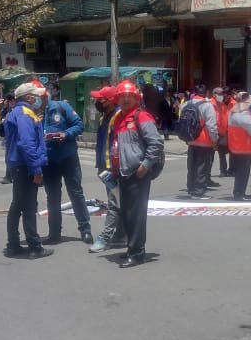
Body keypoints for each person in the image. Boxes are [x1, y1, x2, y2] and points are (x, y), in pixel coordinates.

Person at [112, 80, 164, 268]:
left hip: (137, 173)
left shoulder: (142, 117)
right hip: (122, 173)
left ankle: (137, 253)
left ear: (136, 98)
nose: (125, 100)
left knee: (136, 215)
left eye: (129, 96)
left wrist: (145, 166)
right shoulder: (119, 118)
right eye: (122, 97)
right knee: (126, 213)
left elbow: (156, 143)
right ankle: (131, 247)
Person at [1, 82, 52, 260]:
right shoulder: (25, 114)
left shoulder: (18, 112)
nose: (38, 98)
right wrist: (36, 169)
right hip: (25, 166)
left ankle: (13, 245)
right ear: (29, 97)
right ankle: (34, 247)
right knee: (28, 207)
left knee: (18, 205)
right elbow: (27, 143)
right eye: (35, 95)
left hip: (19, 165)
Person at [40, 86, 93, 244]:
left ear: (45, 96)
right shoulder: (33, 113)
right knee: (53, 198)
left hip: (68, 157)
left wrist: (66, 134)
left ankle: (85, 230)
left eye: (40, 97)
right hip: (49, 161)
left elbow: (78, 125)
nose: (37, 100)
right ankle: (54, 233)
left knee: (76, 194)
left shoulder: (61, 107)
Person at [89, 86, 124, 253]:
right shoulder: (105, 116)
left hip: (113, 168)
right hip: (105, 167)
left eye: (100, 99)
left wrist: (112, 168)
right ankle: (122, 235)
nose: (97, 102)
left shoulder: (117, 116)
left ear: (110, 100)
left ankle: (105, 237)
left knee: (113, 203)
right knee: (118, 202)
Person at [184, 85, 219, 199]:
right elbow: (211, 126)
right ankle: (199, 191)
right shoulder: (207, 106)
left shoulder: (186, 104)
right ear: (206, 93)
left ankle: (190, 187)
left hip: (191, 140)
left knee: (191, 165)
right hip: (203, 140)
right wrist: (214, 140)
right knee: (202, 166)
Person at [227, 92, 251, 201]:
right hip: (243, 147)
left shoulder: (232, 112)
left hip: (236, 146)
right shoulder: (243, 114)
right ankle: (239, 193)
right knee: (243, 172)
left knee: (239, 172)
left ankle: (239, 192)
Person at [211, 87, 233, 178]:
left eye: (222, 94)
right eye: (219, 94)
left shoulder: (223, 105)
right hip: (212, 133)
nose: (221, 96)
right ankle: (206, 176)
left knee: (222, 154)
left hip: (223, 133)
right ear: (214, 94)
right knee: (210, 156)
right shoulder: (210, 104)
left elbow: (226, 119)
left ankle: (223, 170)